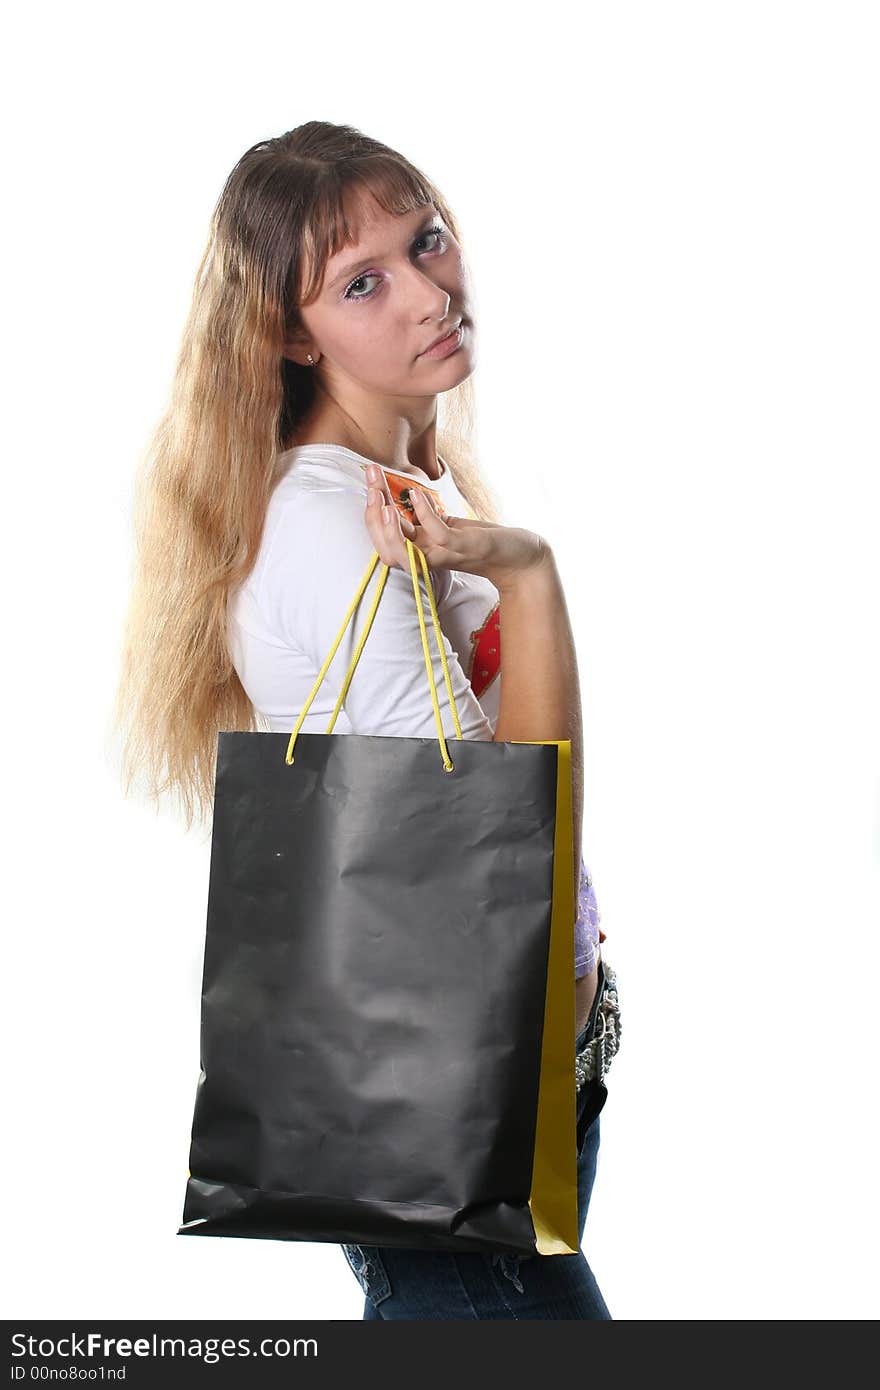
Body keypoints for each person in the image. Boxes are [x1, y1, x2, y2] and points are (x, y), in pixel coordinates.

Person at [114, 118, 621, 1320]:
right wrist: (531, 578)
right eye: (362, 282)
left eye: (427, 240)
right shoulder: (328, 527)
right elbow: (505, 833)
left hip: (509, 1078)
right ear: (290, 333)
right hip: (445, 1105)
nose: (428, 294)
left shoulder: (400, 485)